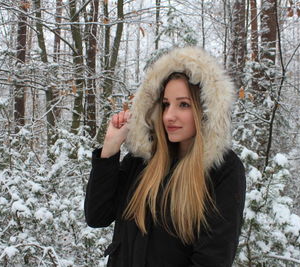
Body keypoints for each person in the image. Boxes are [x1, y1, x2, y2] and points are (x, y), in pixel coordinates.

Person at [84, 47, 246, 267]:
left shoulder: (222, 169)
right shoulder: (141, 161)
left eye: (184, 105)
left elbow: (212, 259)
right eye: (166, 104)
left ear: (206, 110)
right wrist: (110, 149)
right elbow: (97, 216)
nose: (169, 116)